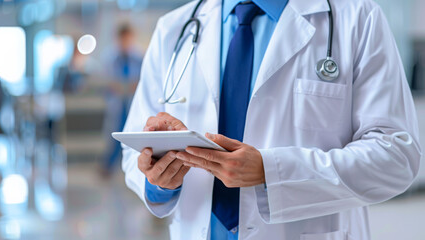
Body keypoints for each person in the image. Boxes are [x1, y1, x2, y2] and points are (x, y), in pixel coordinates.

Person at [122, 0, 422, 239]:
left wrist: (272, 172)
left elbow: (396, 157)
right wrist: (158, 181)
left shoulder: (357, 19)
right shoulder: (175, 28)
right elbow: (133, 146)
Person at [102, 24, 143, 176]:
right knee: (114, 135)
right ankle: (109, 166)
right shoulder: (111, 59)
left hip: (133, 103)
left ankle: (133, 168)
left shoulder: (139, 58)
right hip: (117, 104)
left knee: (134, 134)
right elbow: (108, 82)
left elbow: (141, 81)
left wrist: (126, 86)